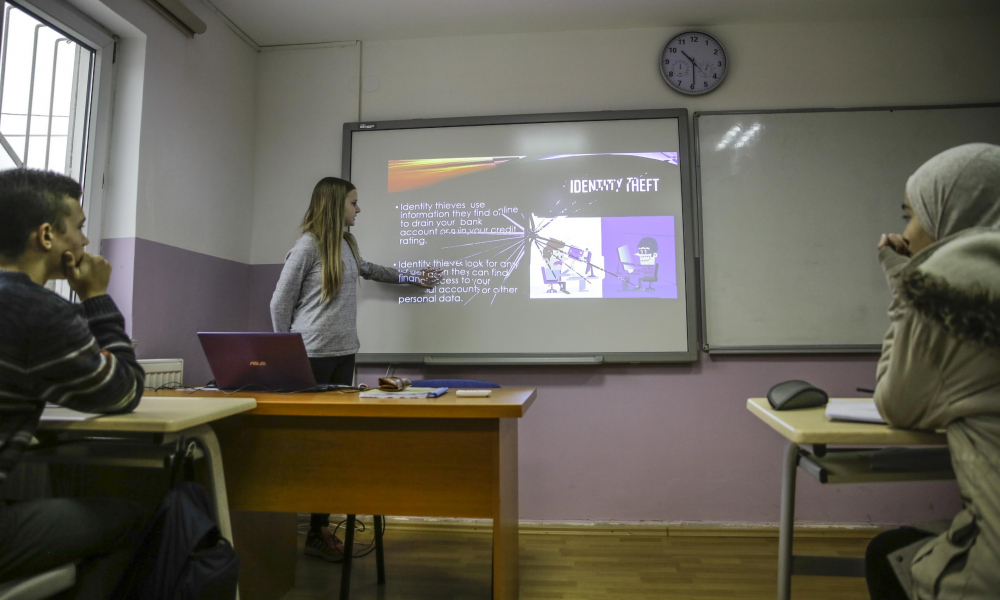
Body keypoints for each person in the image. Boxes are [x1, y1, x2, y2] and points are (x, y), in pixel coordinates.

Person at [270, 176, 440, 561]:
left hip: (345, 354)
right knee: (310, 447)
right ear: (335, 205)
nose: (358, 209)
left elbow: (369, 269)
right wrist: (285, 355)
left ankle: (319, 528)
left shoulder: (346, 244)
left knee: (331, 445)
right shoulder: (307, 246)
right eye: (353, 202)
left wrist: (414, 277)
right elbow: (279, 303)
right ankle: (306, 530)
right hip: (310, 358)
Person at [0, 169, 146, 597]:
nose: (85, 241)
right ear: (47, 236)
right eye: (79, 228)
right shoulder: (37, 311)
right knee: (131, 520)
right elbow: (124, 390)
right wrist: (96, 297)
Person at [866, 143, 1000, 599]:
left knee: (887, 554)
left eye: (911, 215)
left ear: (950, 212)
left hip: (991, 571)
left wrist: (909, 287)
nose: (906, 233)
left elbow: (894, 404)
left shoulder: (950, 288)